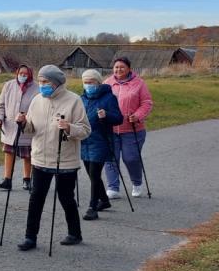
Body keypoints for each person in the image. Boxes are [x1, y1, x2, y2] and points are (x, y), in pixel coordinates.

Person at [17, 65, 91, 251]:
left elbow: (85, 130)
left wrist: (69, 128)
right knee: (36, 198)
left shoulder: (74, 101)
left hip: (64, 159)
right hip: (40, 158)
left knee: (66, 197)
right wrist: (23, 123)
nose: (42, 85)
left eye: (46, 82)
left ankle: (75, 233)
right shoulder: (37, 100)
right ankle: (30, 237)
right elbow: (31, 129)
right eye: (40, 82)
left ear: (56, 83)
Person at [103, 56, 153, 200]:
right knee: (111, 158)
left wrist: (138, 116)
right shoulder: (107, 83)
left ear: (129, 69)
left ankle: (137, 183)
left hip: (132, 129)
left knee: (131, 158)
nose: (118, 69)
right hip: (111, 129)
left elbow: (147, 103)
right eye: (116, 67)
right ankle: (113, 187)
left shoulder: (139, 83)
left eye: (122, 67)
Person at [79, 69, 123, 221]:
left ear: (98, 83)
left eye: (91, 82)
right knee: (92, 175)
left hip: (101, 141)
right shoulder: (82, 98)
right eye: (85, 82)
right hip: (84, 141)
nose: (88, 85)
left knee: (94, 174)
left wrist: (107, 115)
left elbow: (119, 118)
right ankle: (104, 200)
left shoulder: (109, 97)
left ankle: (92, 207)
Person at [0, 63, 38, 191]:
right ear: (17, 73)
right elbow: (0, 105)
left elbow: (38, 108)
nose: (22, 76)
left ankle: (27, 179)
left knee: (27, 154)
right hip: (10, 126)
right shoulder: (8, 85)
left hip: (27, 126)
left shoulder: (36, 88)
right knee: (9, 152)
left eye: (25, 74)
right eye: (20, 74)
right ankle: (7, 179)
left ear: (30, 75)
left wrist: (27, 118)